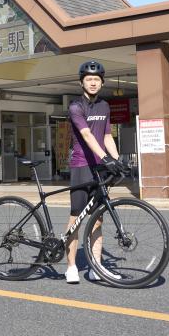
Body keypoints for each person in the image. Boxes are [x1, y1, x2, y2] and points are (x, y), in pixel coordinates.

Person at [65, 59, 126, 283]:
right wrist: (105, 158)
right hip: (81, 166)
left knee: (98, 219)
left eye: (96, 79)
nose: (93, 83)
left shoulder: (105, 106)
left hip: (100, 168)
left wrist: (117, 160)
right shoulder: (76, 107)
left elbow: (107, 135)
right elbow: (87, 135)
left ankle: (96, 266)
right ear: (81, 82)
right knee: (76, 218)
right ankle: (71, 266)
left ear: (102, 83)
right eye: (89, 79)